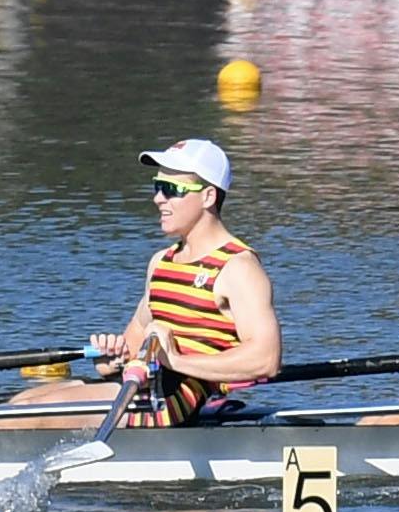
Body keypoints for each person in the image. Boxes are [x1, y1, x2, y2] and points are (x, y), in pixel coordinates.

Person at [73, 138, 278, 426]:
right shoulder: (161, 262)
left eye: (171, 190)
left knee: (14, 418)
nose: (158, 198)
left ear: (208, 196)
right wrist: (111, 360)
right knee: (24, 403)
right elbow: (132, 349)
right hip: (145, 389)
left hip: (173, 402)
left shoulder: (238, 268)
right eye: (158, 187)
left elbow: (265, 359)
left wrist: (177, 361)